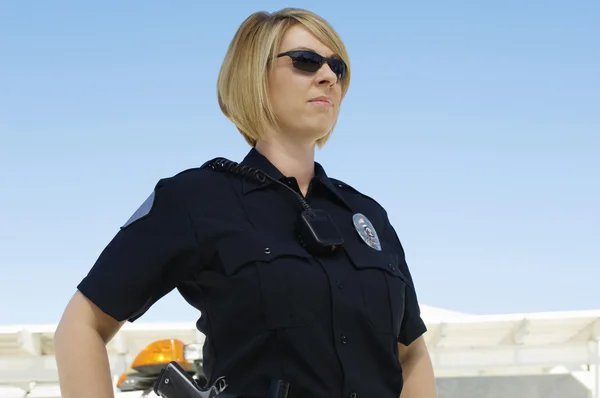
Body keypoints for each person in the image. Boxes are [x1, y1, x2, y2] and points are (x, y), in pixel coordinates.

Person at [54, 7, 437, 398]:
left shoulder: (368, 216)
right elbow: (82, 324)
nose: (328, 77)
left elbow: (412, 355)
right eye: (306, 61)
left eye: (337, 67)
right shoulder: (197, 199)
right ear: (254, 74)